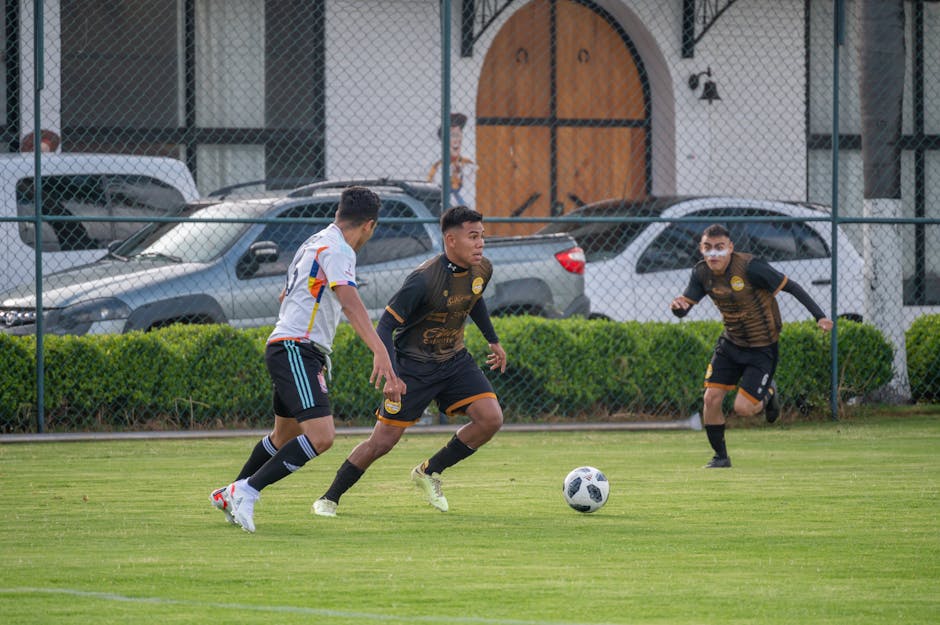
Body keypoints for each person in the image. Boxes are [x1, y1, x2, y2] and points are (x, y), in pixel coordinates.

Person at [210, 186, 404, 532]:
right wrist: (379, 349)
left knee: (283, 436)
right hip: (297, 349)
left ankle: (231, 492)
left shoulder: (314, 242)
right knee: (322, 436)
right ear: (369, 226)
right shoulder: (339, 249)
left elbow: (287, 293)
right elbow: (349, 301)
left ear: (337, 214)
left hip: (288, 345)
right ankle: (248, 490)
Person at [311, 205, 507, 517]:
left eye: (482, 236)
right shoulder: (423, 279)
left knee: (491, 418)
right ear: (450, 240)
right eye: (473, 237)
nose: (480, 243)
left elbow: (474, 298)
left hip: (454, 360)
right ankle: (329, 498)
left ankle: (429, 471)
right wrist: (391, 375)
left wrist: (492, 339)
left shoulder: (482, 268)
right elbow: (386, 326)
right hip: (413, 368)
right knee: (382, 442)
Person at [669, 224, 833, 468]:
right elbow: (684, 307)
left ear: (730, 248)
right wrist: (677, 308)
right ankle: (721, 457)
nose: (713, 254)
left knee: (743, 408)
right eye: (708, 248)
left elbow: (792, 287)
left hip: (762, 347)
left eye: (719, 248)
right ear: (701, 249)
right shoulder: (701, 273)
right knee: (711, 399)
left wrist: (819, 316)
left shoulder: (750, 267)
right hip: (730, 343)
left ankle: (769, 393)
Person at [427, 112, 477, 208]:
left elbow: (469, 192)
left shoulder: (468, 166)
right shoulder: (437, 168)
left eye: (458, 135)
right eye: (452, 136)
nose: (456, 140)